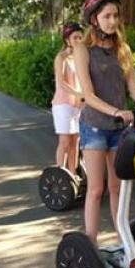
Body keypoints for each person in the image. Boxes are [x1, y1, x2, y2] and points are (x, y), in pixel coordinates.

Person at [74, 0, 135, 244]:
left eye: (116, 15)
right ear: (94, 19)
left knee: (118, 187)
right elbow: (88, 95)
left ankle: (122, 240)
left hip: (119, 129)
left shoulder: (122, 49)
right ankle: (90, 244)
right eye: (107, 16)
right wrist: (117, 112)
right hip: (94, 127)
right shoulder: (83, 50)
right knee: (96, 189)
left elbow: (134, 89)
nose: (113, 21)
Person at [51, 21, 84, 173]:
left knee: (75, 142)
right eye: (75, 37)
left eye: (80, 37)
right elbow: (61, 83)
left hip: (77, 105)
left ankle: (73, 176)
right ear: (67, 40)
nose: (78, 40)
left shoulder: (79, 59)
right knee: (64, 142)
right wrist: (80, 94)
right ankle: (60, 175)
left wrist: (84, 98)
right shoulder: (61, 57)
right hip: (63, 104)